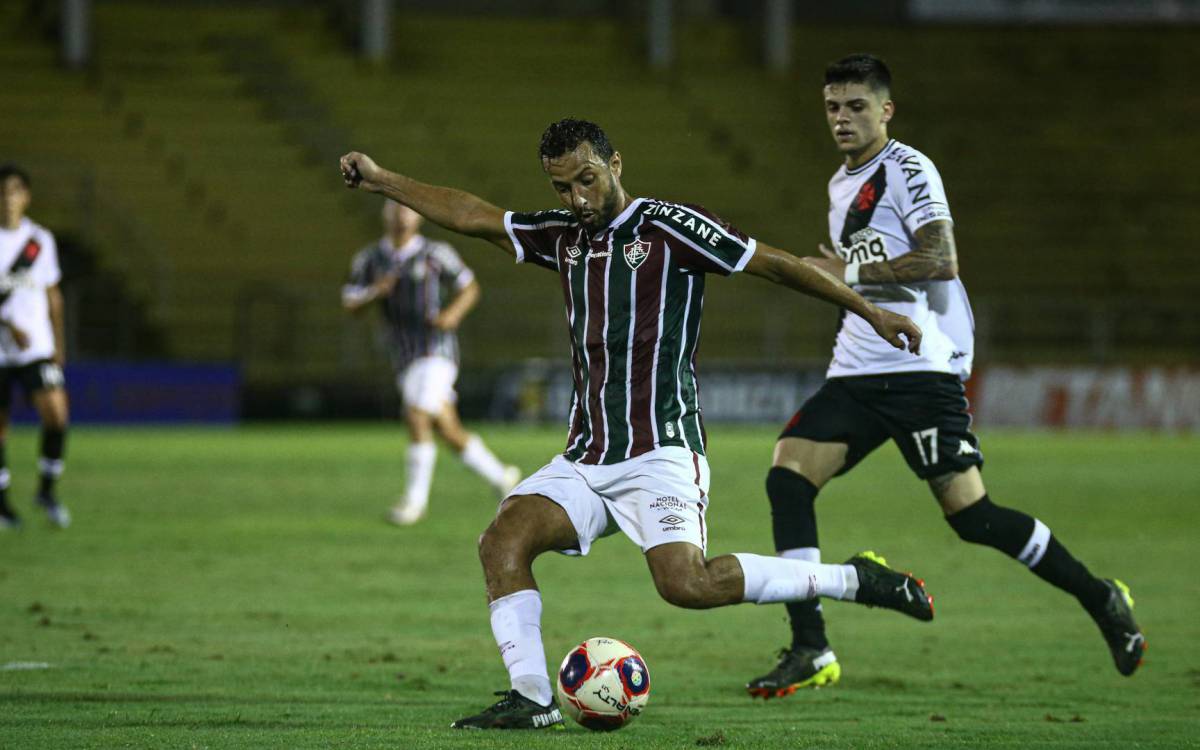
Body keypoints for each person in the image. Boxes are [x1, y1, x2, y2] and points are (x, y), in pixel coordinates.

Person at [339, 117, 932, 731]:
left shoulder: (671, 228)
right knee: (502, 541)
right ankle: (533, 697)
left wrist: (869, 312)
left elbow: (776, 265)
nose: (577, 200)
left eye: (587, 181)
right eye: (562, 188)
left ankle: (851, 578)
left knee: (686, 585)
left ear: (615, 164)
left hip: (661, 450)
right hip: (587, 456)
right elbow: (473, 214)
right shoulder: (563, 237)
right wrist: (383, 181)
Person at [744, 54, 1144, 699]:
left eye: (856, 106)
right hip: (858, 365)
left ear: (886, 110)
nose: (842, 119)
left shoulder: (907, 168)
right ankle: (811, 646)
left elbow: (939, 257)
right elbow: (863, 273)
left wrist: (845, 274)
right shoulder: (839, 184)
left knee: (972, 517)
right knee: (787, 476)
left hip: (920, 366)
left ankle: (1100, 596)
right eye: (832, 107)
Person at [342, 199, 522, 525]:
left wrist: (452, 315)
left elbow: (469, 287)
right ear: (385, 217)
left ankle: (414, 501)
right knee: (447, 428)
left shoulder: (435, 254)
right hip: (403, 356)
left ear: (418, 218)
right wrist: (375, 292)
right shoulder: (370, 259)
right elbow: (350, 302)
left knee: (416, 413)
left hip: (437, 352)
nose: (401, 217)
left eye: (406, 212)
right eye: (394, 212)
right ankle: (501, 476)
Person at [0, 164, 70, 530]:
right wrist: (8, 323)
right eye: (2, 192)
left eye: (14, 192)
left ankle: (46, 490)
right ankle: (3, 505)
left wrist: (59, 344)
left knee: (57, 414)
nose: (8, 200)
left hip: (36, 348)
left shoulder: (40, 241)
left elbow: (52, 294)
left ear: (26, 197)